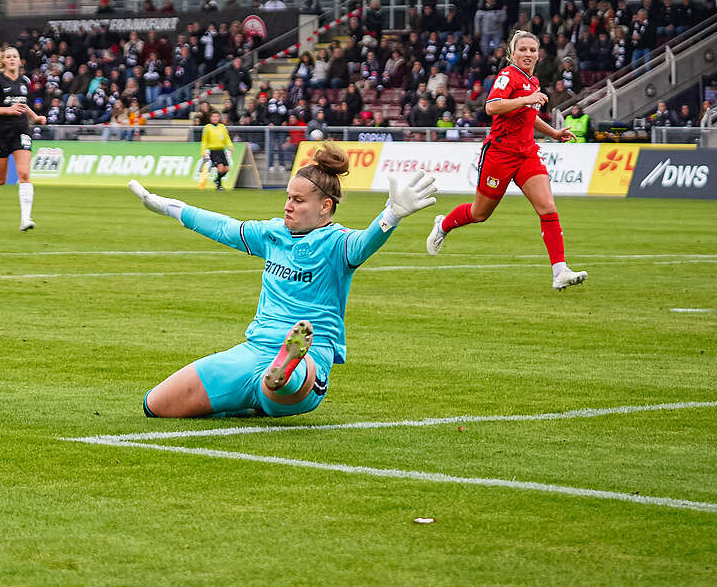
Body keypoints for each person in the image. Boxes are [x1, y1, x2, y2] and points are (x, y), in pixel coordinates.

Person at [126, 145, 437, 419]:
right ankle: (248, 401)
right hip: (251, 353)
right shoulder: (273, 234)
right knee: (155, 405)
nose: (288, 205)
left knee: (281, 383)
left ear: (325, 206)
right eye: (288, 197)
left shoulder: (337, 243)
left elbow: (365, 243)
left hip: (311, 358)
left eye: (298, 200)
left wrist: (390, 216)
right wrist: (167, 206)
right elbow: (223, 227)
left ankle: (287, 370)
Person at [425, 31, 588, 291]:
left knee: (547, 207)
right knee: (480, 214)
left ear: (538, 54)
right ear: (513, 54)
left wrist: (554, 133)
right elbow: (492, 106)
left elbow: (528, 116)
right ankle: (443, 225)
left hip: (527, 154)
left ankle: (560, 272)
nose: (528, 54)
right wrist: (526, 99)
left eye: (532, 50)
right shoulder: (508, 76)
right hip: (500, 154)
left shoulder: (533, 81)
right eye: (522, 49)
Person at [0, 45, 46, 231]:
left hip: (21, 131)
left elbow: (23, 105)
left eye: (15, 56)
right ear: (3, 61)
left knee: (24, 174)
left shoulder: (25, 81)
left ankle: (26, 219)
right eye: (8, 56)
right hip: (1, 133)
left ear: (19, 60)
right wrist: (7, 110)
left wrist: (35, 117)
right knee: (1, 179)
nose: (12, 59)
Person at [199, 110, 233, 190]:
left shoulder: (222, 127)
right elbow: (204, 141)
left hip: (221, 150)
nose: (215, 118)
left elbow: (227, 138)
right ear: (210, 118)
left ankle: (217, 180)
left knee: (226, 169)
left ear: (219, 118)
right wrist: (203, 152)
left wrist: (230, 146)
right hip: (213, 151)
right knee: (220, 168)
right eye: (213, 116)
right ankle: (219, 185)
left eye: (217, 116)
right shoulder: (207, 127)